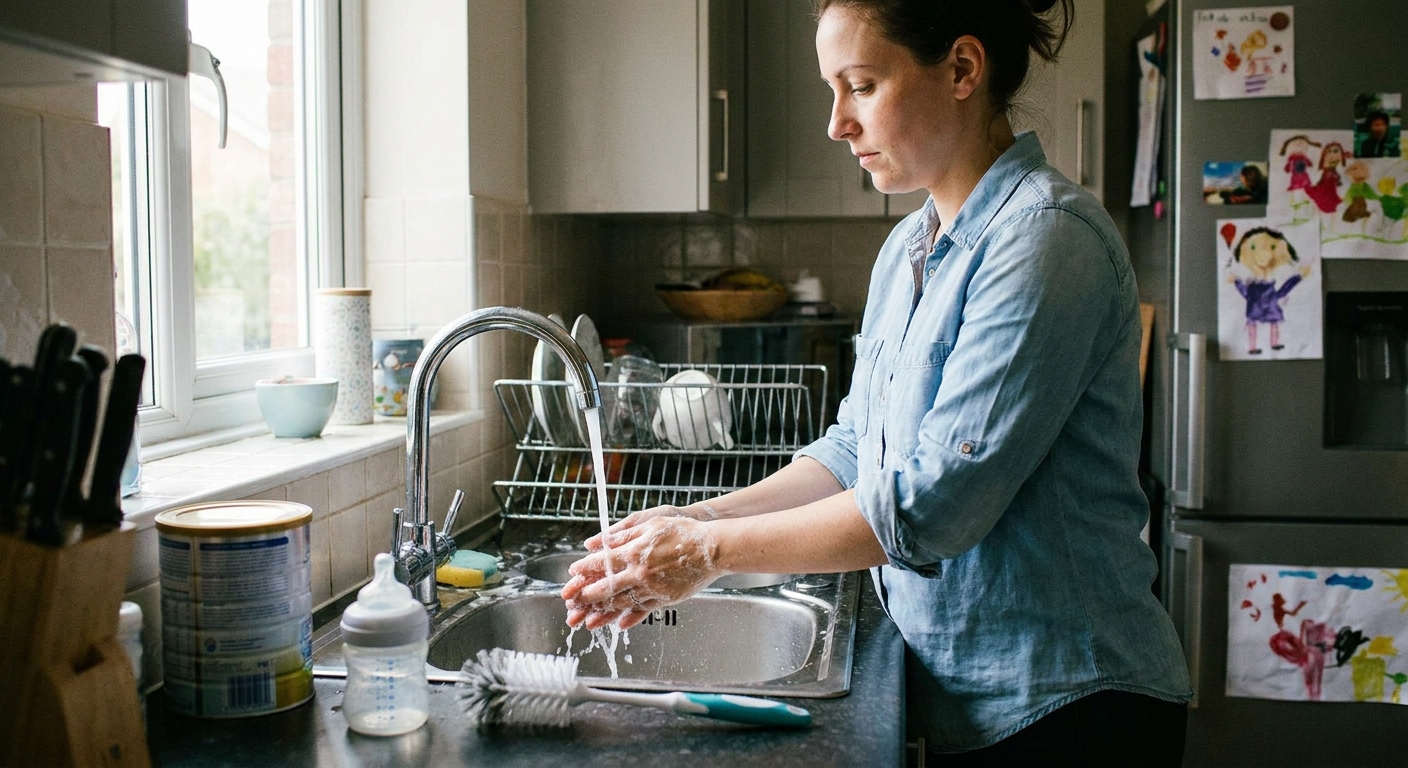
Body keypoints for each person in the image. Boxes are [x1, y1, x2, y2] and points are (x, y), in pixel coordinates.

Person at [562, 0, 1193, 764]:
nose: (836, 123)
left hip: (1071, 707)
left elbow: (931, 506)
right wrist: (691, 518)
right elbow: (857, 449)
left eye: (859, 84)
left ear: (962, 69)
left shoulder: (1047, 240)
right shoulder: (907, 248)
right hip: (971, 699)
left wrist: (708, 553)